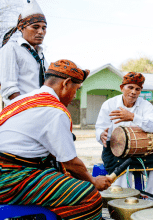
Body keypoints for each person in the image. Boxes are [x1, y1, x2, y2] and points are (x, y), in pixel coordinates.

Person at [0, 59, 112, 219]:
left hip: (8, 171)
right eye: (76, 89)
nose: (75, 95)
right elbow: (70, 163)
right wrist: (93, 181)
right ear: (66, 83)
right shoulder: (54, 111)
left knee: (67, 178)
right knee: (89, 196)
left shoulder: (21, 100)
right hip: (10, 180)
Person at [95, 72, 153, 197]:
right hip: (114, 149)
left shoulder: (146, 105)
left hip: (139, 150)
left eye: (137, 89)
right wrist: (101, 135)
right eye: (130, 87)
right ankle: (122, 202)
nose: (133, 92)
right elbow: (99, 128)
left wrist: (132, 117)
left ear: (140, 91)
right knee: (120, 168)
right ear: (122, 88)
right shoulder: (109, 104)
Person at [1, 0, 49, 106]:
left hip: (40, 111)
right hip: (20, 113)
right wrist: (28, 110)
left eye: (44, 28)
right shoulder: (11, 49)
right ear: (21, 28)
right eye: (35, 27)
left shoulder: (42, 57)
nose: (41, 31)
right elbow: (10, 90)